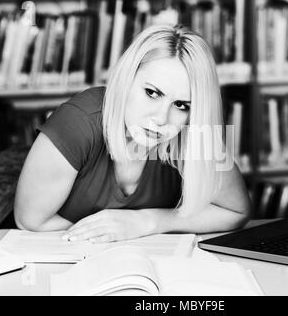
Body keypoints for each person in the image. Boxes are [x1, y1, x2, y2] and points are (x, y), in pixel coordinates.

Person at [14, 24, 252, 243]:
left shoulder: (192, 131)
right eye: (151, 93)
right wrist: (109, 231)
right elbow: (30, 221)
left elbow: (236, 211)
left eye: (181, 105)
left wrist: (148, 222)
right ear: (126, 78)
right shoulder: (79, 121)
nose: (161, 119)